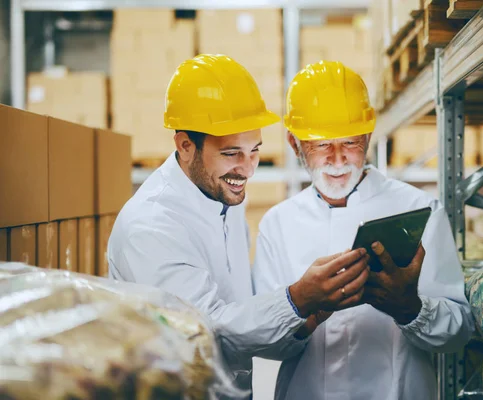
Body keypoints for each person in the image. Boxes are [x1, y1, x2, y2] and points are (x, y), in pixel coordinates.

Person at [107, 55, 370, 397]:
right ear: (186, 146)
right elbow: (207, 335)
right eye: (232, 154)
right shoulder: (152, 226)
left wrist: (306, 320)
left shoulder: (222, 192)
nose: (247, 169)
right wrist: (298, 299)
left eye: (254, 151)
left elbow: (241, 320)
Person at [251, 61, 475, 400]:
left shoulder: (419, 210)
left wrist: (409, 308)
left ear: (368, 138)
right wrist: (301, 307)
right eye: (321, 144)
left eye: (351, 142)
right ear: (294, 143)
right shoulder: (277, 224)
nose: (338, 159)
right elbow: (264, 342)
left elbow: (459, 329)